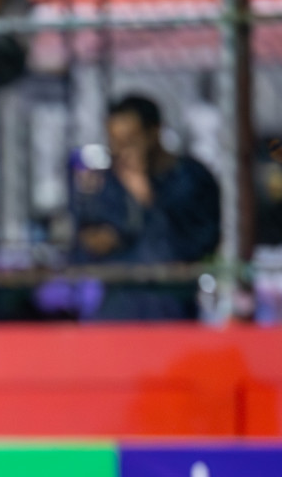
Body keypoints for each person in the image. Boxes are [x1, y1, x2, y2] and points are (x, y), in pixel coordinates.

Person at [73, 94, 221, 321]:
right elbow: (88, 244)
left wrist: (144, 195)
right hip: (117, 307)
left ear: (154, 133)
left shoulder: (190, 178)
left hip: (172, 307)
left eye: (130, 141)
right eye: (114, 142)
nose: (121, 151)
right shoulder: (107, 183)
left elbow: (191, 246)